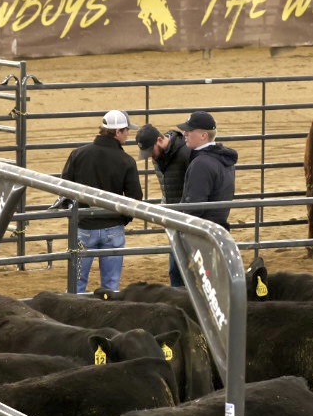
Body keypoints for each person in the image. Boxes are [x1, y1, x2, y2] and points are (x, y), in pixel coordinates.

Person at [60, 109, 142, 293]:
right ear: (118, 132)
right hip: (113, 228)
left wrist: (76, 218)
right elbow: (135, 198)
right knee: (111, 286)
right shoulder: (126, 161)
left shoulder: (78, 154)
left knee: (77, 283)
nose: (128, 135)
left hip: (83, 227)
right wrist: (121, 219)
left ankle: (74, 316)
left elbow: (64, 190)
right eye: (127, 131)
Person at [135, 121, 193, 286]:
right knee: (176, 270)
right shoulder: (159, 158)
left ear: (159, 140)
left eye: (150, 151)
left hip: (189, 219)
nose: (150, 156)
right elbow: (166, 187)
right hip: (175, 220)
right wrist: (165, 209)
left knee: (187, 269)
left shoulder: (185, 154)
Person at [178, 110, 237, 229]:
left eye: (189, 130)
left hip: (201, 231)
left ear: (203, 135)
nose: (185, 133)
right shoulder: (224, 159)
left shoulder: (201, 164)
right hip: (218, 229)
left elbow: (194, 207)